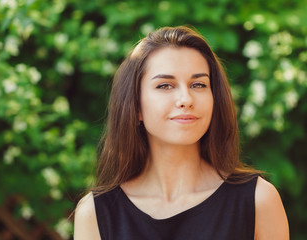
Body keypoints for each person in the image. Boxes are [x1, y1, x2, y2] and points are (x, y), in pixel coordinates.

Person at [73, 26, 289, 240]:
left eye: (198, 84)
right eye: (165, 85)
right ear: (135, 106)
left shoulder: (258, 200)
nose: (186, 99)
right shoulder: (95, 214)